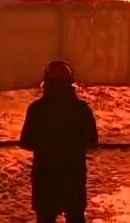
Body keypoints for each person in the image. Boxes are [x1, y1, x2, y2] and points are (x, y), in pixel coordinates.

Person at [21, 60, 99, 223]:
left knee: (45, 217)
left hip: (45, 174)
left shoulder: (37, 109)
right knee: (75, 216)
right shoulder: (80, 109)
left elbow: (26, 141)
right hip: (73, 173)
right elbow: (92, 140)